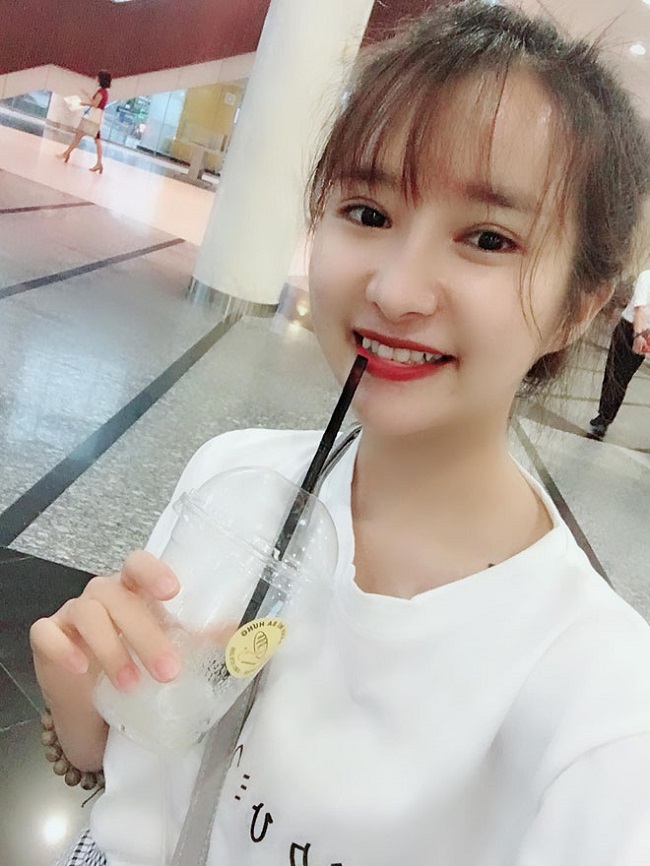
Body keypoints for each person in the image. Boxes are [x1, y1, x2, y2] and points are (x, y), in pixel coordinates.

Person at [31, 3, 650, 864]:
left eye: (487, 237)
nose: (394, 291)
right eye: (367, 212)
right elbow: (138, 778)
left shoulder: (600, 703)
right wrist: (81, 705)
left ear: (577, 307)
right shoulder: (231, 477)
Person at [588, 269, 650, 439]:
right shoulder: (646, 276)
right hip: (632, 330)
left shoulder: (646, 276)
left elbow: (639, 310)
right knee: (614, 374)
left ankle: (604, 418)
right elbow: (639, 308)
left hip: (638, 332)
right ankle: (604, 416)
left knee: (619, 377)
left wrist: (639, 336)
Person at [59, 70, 112, 174]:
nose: (96, 78)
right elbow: (96, 102)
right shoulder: (103, 92)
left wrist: (84, 103)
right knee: (93, 139)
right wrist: (87, 95)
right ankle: (68, 153)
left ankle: (67, 153)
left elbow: (95, 104)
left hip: (94, 118)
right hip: (96, 118)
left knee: (83, 136)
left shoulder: (101, 92)